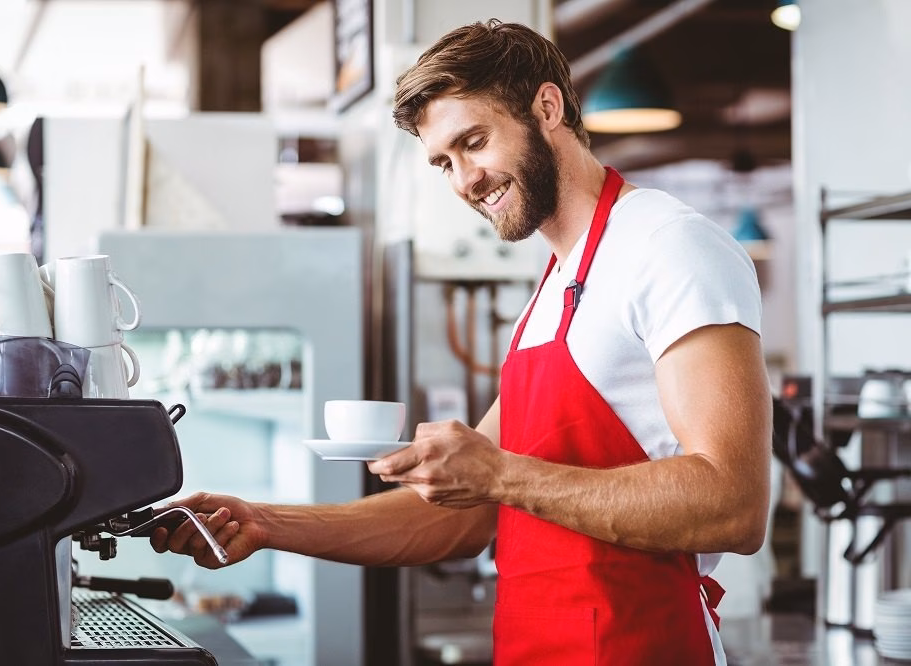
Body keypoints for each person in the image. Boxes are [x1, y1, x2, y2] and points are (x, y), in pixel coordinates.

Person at [152, 18, 772, 665]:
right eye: (444, 161)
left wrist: (500, 474)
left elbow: (732, 502)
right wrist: (265, 523)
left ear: (548, 106)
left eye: (473, 142)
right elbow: (462, 517)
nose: (465, 181)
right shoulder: (553, 286)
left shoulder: (667, 245)